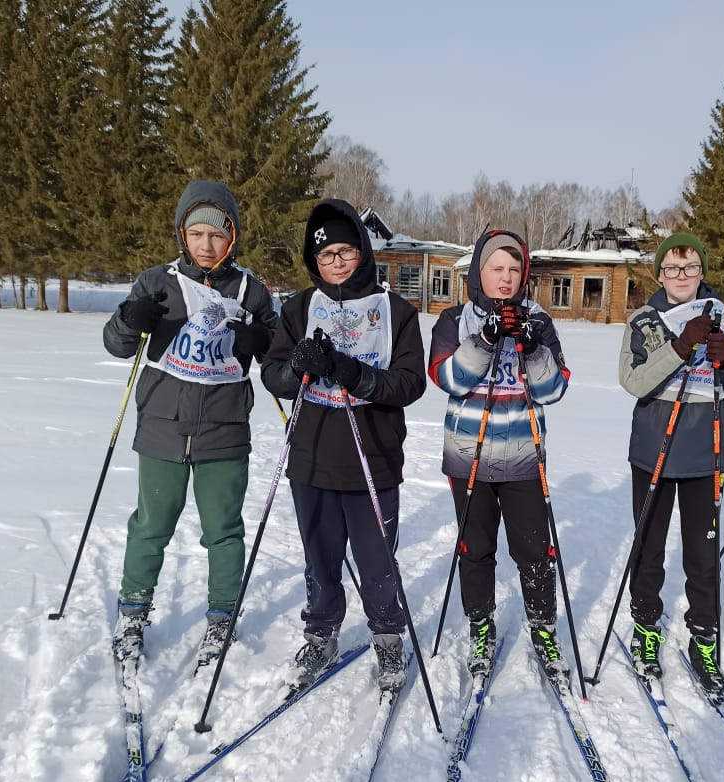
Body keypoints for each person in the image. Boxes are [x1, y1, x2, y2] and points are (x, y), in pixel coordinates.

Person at [104, 180, 278, 668]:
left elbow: (280, 361)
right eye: (197, 233)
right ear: (183, 233)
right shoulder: (156, 283)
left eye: (217, 235)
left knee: (223, 530)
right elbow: (116, 345)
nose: (206, 244)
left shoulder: (252, 290)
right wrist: (128, 319)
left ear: (232, 238)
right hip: (162, 426)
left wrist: (259, 342)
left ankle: (222, 616)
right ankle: (134, 613)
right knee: (150, 525)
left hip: (224, 431)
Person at [261, 199, 426, 693]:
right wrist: (297, 369)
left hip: (372, 457)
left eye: (345, 251)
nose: (336, 262)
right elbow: (273, 374)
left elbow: (409, 383)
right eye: (325, 255)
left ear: (362, 251)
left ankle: (388, 636)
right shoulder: (297, 308)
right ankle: (322, 632)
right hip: (311, 457)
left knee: (377, 559)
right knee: (320, 557)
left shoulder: (394, 311)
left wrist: (355, 374)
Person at [619, 233, 724, 700]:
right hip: (655, 450)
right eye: (673, 268)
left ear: (702, 272)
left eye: (691, 267)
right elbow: (633, 380)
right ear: (660, 273)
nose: (682, 276)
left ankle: (703, 636)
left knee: (703, 555)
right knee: (650, 546)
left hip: (707, 452)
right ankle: (646, 627)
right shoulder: (644, 320)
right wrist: (680, 348)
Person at [427, 230, 572, 684]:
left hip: (524, 455)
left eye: (513, 270)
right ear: (479, 273)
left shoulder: (540, 321)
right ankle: (481, 624)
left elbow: (554, 389)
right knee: (476, 547)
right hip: (469, 455)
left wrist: (532, 349)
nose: (505, 278)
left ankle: (544, 626)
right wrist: (486, 340)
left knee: (533, 549)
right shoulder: (455, 320)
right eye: (496, 269)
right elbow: (448, 377)